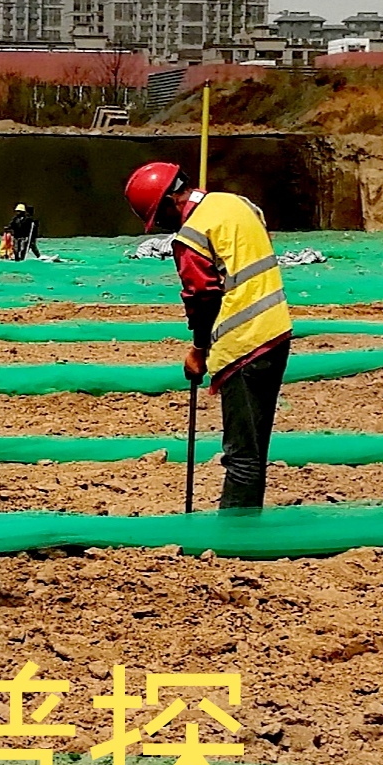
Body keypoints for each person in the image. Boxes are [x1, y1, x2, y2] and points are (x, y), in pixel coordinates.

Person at [126, 159, 294, 512]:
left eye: (159, 218)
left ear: (171, 202)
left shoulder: (191, 236)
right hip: (277, 331)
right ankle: (249, 522)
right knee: (256, 447)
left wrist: (199, 350)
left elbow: (201, 298)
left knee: (242, 454)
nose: (162, 227)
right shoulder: (237, 204)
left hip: (243, 344)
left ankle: (236, 537)